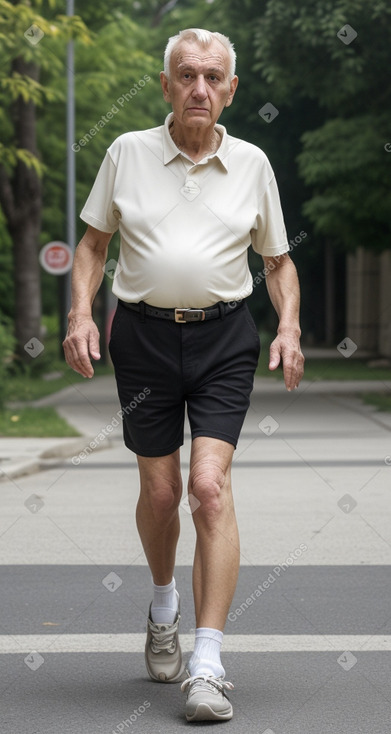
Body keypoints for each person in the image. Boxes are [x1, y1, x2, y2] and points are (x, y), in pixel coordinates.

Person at [63, 27, 304, 723]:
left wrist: (287, 327)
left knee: (208, 488)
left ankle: (207, 663)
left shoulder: (253, 163)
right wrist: (80, 315)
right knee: (163, 493)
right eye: (186, 75)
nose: (200, 88)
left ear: (230, 90)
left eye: (213, 77)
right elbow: (91, 245)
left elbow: (277, 262)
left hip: (224, 336)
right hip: (140, 336)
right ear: (165, 85)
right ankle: (163, 606)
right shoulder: (126, 152)